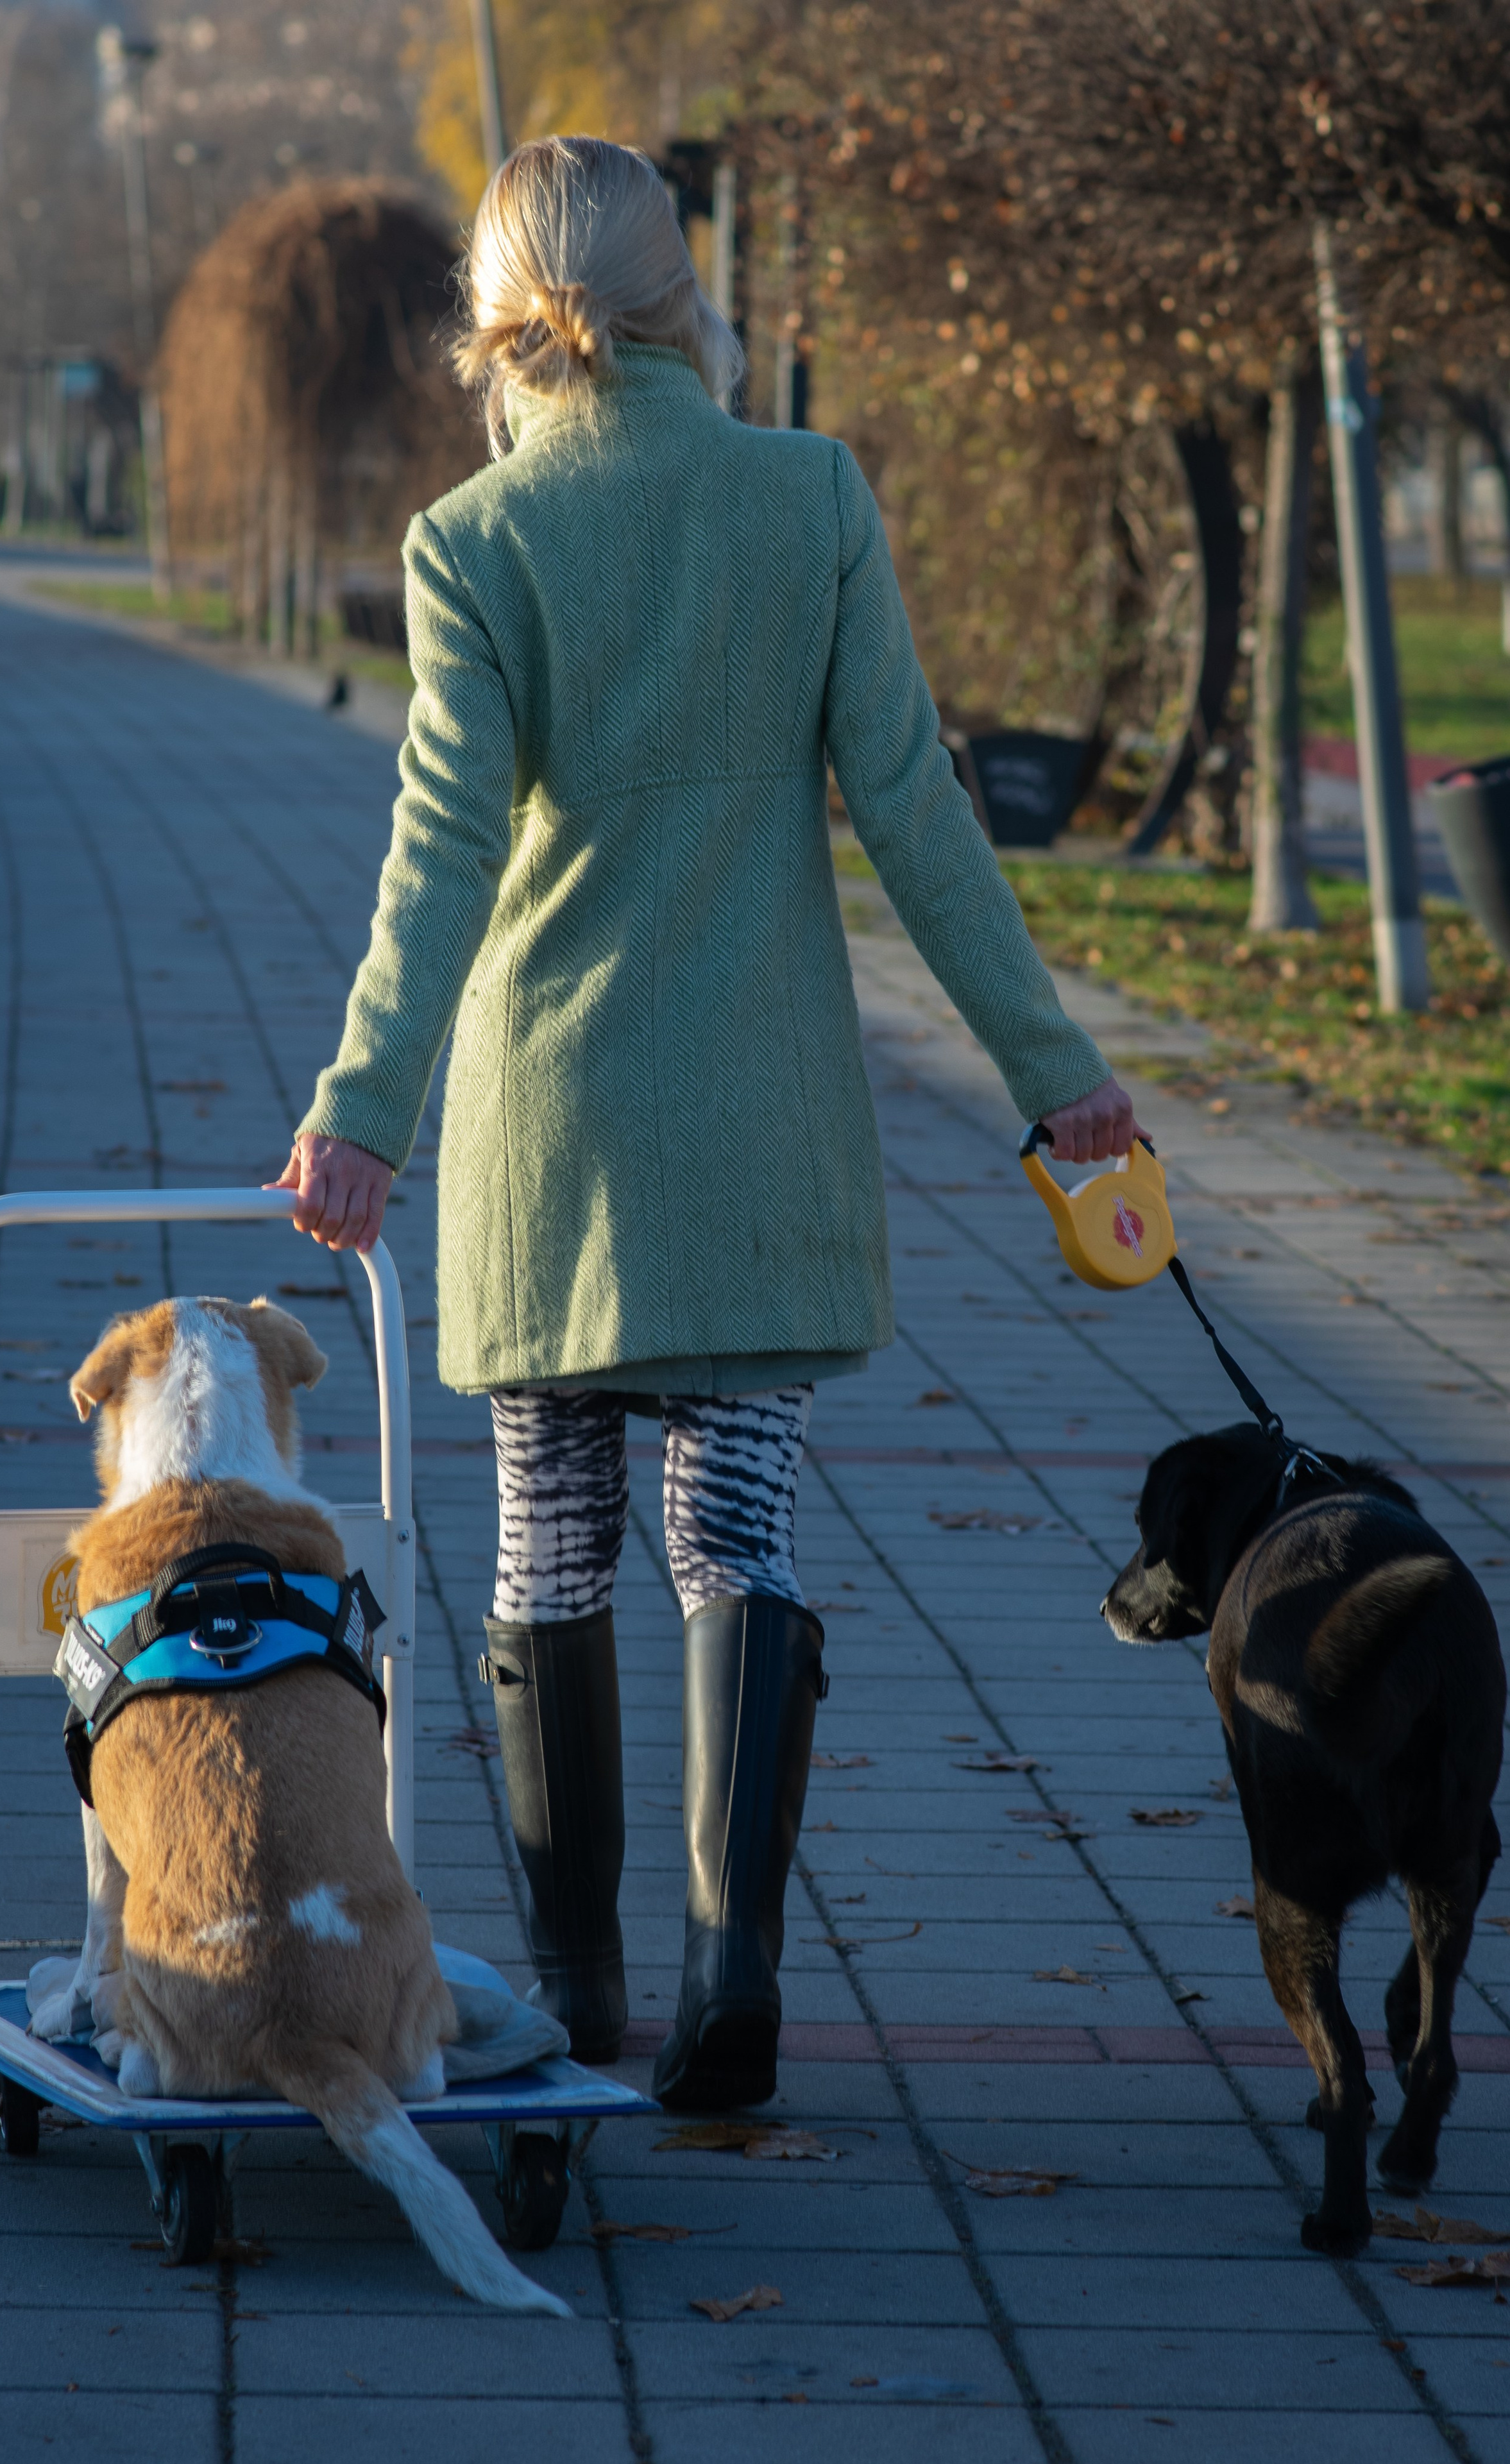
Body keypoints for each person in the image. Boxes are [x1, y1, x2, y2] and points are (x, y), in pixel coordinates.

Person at [273, 135, 1137, 2112]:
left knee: (552, 1536)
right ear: (683, 295)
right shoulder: (806, 496)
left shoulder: (475, 544)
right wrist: (1052, 1075)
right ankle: (734, 1965)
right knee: (733, 1524)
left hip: (550, 1130)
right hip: (756, 1123)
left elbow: (439, 863)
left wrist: (360, 1113)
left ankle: (578, 1988)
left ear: (498, 314)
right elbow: (918, 812)